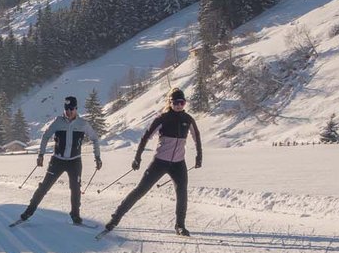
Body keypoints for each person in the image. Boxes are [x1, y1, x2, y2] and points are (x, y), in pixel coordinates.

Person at [102, 88, 202, 236]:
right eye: (176, 102)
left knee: (182, 193)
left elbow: (197, 137)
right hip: (160, 162)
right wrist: (137, 157)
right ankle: (115, 218)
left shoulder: (188, 119)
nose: (179, 105)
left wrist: (199, 156)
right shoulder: (162, 118)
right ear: (170, 103)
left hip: (178, 164)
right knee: (141, 190)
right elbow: (145, 137)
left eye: (182, 102)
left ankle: (180, 226)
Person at [13, 95, 103, 226]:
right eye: (67, 109)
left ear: (76, 109)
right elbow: (45, 136)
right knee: (44, 187)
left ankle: (75, 216)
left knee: (76, 189)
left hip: (75, 162)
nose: (69, 111)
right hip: (57, 161)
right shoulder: (58, 122)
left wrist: (97, 157)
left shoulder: (83, 124)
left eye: (71, 109)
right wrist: (41, 155)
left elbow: (95, 139)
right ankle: (28, 212)